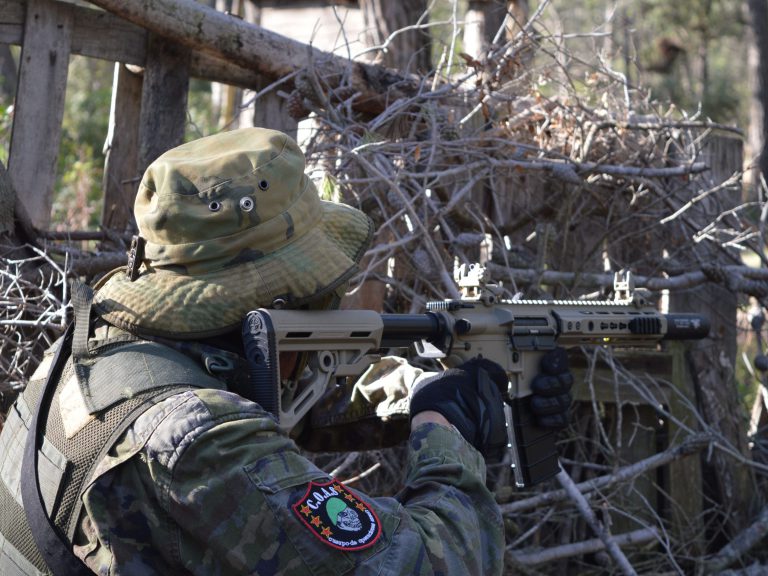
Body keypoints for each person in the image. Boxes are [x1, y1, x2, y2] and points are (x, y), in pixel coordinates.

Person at [0, 127, 571, 575]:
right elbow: (425, 565)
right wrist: (449, 435)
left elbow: (295, 391)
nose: (332, 305)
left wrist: (418, 391)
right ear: (268, 299)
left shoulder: (106, 356)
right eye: (322, 296)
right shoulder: (198, 438)